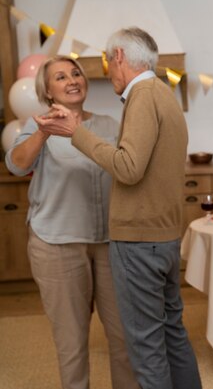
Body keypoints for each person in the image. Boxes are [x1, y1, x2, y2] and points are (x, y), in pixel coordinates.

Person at [34, 28, 202, 389]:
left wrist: (75, 132)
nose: (108, 70)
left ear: (120, 57)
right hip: (164, 237)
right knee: (172, 332)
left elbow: (128, 167)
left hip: (139, 242)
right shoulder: (163, 93)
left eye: (109, 61)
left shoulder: (141, 95)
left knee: (145, 344)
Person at [4, 56, 139, 389]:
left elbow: (129, 170)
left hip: (111, 244)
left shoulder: (109, 124)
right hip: (56, 244)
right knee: (72, 342)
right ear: (48, 91)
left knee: (124, 337)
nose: (71, 80)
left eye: (75, 73)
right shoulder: (37, 127)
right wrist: (44, 133)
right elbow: (17, 165)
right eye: (60, 77)